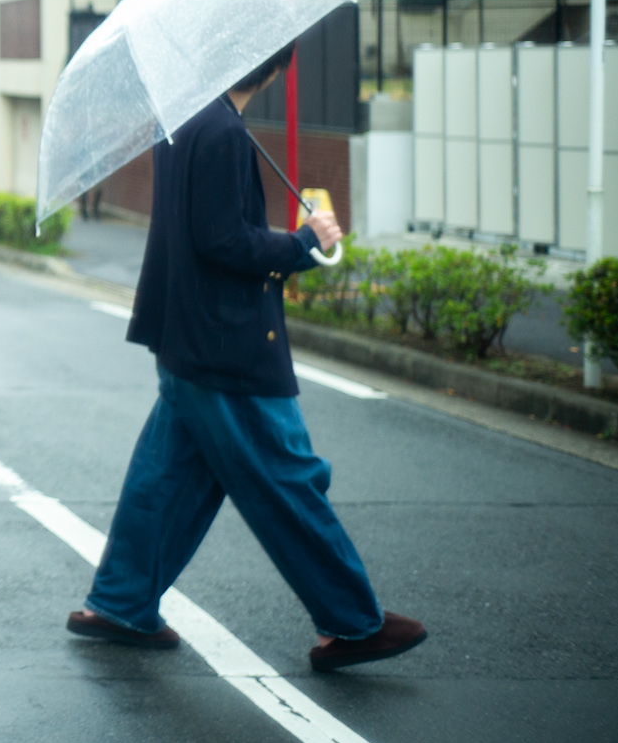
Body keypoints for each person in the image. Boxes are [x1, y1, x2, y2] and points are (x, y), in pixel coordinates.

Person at [66, 42, 427, 672]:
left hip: (185, 338)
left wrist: (295, 242)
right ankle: (351, 622)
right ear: (275, 67)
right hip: (228, 346)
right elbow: (224, 241)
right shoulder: (224, 133)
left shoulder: (183, 121)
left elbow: (200, 233)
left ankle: (119, 603)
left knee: (166, 478)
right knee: (288, 479)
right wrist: (303, 244)